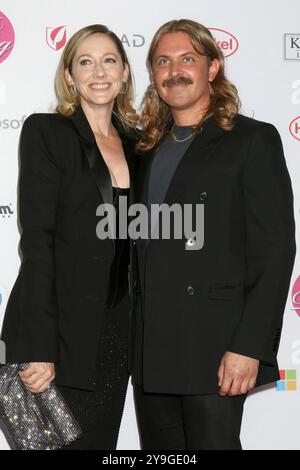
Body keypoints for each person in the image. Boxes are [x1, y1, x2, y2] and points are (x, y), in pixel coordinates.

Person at [129, 19, 296, 450]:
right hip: (152, 348)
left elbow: (275, 251)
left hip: (215, 344)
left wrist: (249, 347)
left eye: (188, 58)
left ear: (213, 68)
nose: (175, 70)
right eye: (163, 61)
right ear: (154, 74)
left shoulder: (250, 140)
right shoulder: (146, 147)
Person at [0, 24, 138, 450]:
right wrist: (39, 346)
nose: (99, 71)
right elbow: (37, 242)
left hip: (116, 330)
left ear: (126, 72)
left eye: (109, 60)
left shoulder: (140, 144)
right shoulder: (48, 132)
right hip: (57, 330)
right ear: (70, 76)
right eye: (85, 61)